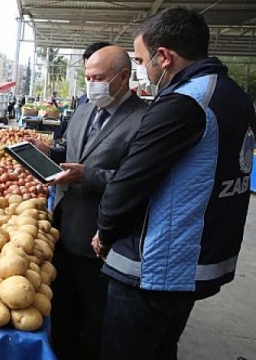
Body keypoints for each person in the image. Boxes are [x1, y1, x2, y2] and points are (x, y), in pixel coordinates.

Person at [91, 7, 256, 360]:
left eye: (140, 59)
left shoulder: (184, 102)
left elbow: (129, 181)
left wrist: (105, 232)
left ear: (164, 57)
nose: (142, 69)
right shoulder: (234, 96)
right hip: (200, 262)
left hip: (156, 269)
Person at [28, 45, 148, 360]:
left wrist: (89, 176)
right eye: (87, 76)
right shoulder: (84, 108)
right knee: (63, 309)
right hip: (63, 227)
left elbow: (138, 180)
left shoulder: (144, 119)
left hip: (101, 238)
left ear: (123, 77)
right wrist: (46, 150)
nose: (91, 83)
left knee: (96, 318)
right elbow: (69, 148)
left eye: (99, 77)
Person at [75, 41, 112, 108]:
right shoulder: (83, 101)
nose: (91, 82)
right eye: (88, 77)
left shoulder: (136, 115)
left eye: (98, 77)